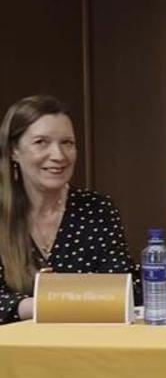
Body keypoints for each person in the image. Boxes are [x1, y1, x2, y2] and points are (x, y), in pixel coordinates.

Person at [0, 95, 138, 324]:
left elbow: (122, 287)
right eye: (41, 142)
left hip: (86, 348)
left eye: (67, 143)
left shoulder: (97, 209)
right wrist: (46, 305)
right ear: (14, 150)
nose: (58, 156)